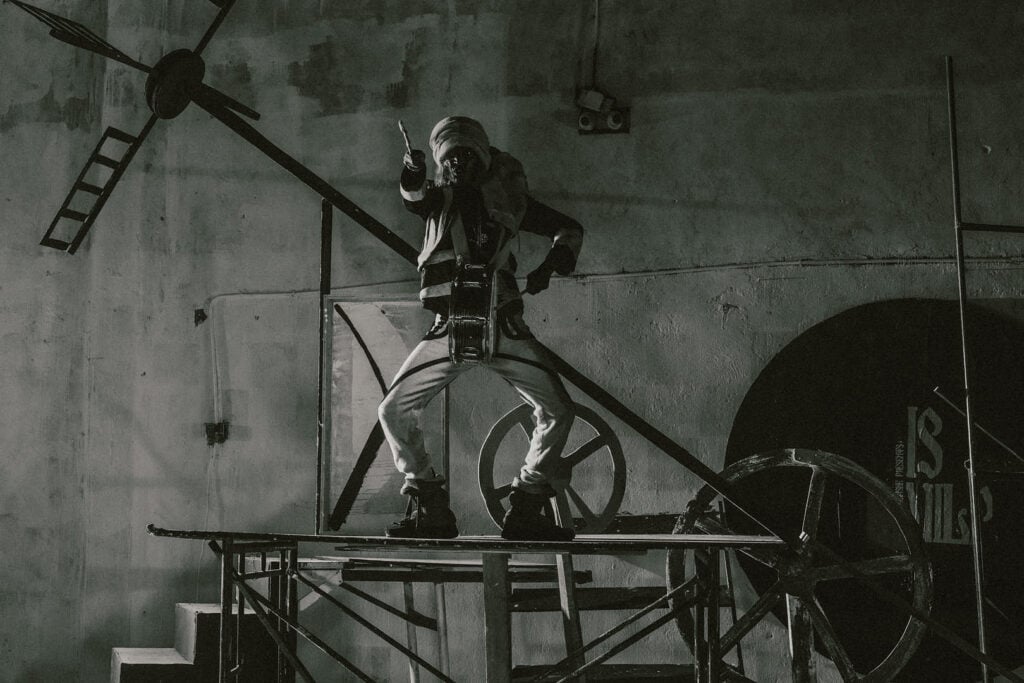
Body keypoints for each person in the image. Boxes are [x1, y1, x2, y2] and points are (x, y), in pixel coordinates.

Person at [378, 116, 584, 541]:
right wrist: (412, 168)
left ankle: (527, 503)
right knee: (392, 410)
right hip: (449, 327)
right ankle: (428, 501)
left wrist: (550, 265)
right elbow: (412, 195)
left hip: (501, 322)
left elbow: (568, 230)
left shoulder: (511, 204)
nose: (458, 165)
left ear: (483, 160)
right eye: (450, 158)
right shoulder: (437, 199)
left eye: (467, 156)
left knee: (559, 410)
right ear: (441, 163)